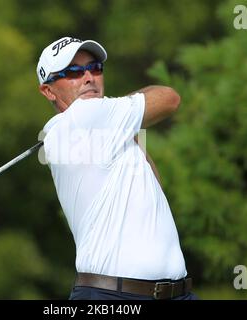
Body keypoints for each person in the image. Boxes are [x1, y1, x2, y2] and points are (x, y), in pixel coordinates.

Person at [37, 36, 197, 300]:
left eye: (95, 67)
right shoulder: (85, 117)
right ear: (49, 91)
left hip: (174, 294)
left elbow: (154, 185)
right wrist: (120, 111)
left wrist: (122, 120)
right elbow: (170, 98)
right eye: (73, 72)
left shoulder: (108, 127)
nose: (88, 77)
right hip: (114, 296)